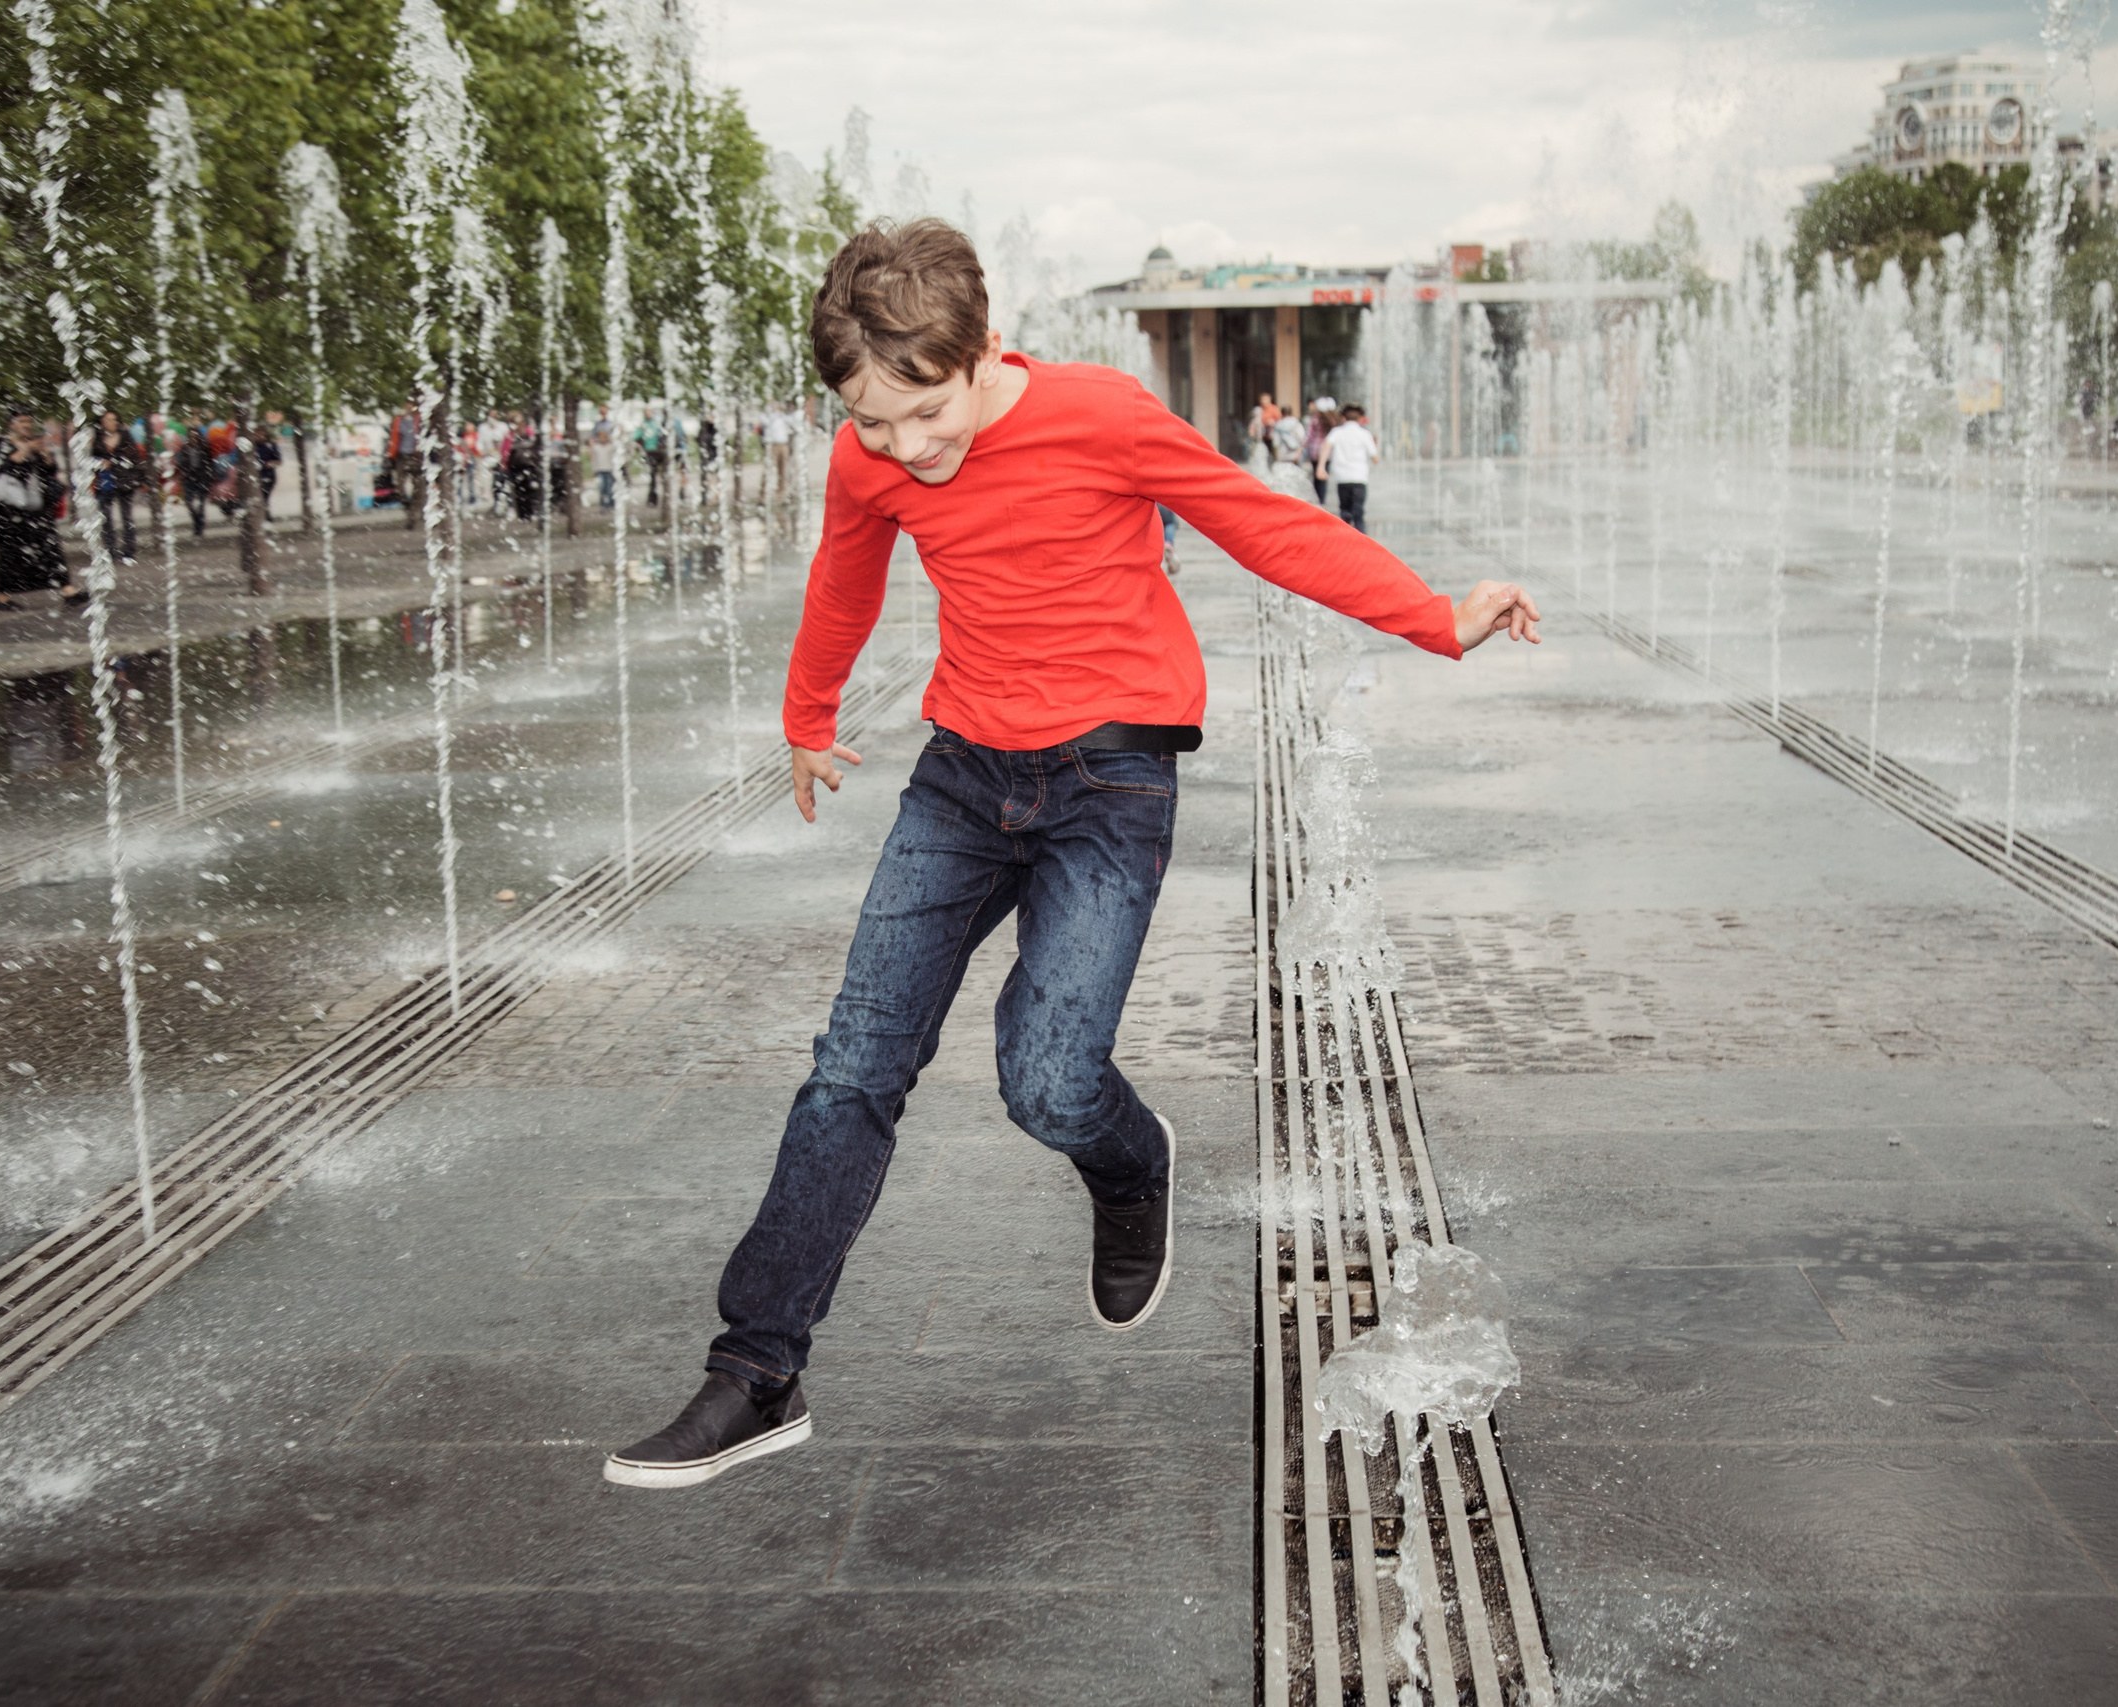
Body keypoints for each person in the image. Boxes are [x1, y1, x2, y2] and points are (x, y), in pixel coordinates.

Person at [602, 218, 1539, 1491]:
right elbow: (843, 578)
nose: (904, 450)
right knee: (850, 1069)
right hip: (961, 778)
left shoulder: (1100, 414)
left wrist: (1432, 615)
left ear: (983, 351)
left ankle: (1128, 1158)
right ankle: (758, 1370)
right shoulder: (866, 454)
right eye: (873, 425)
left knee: (1045, 1082)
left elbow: (1261, 523)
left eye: (924, 414)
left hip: (1110, 781)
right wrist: (808, 723)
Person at [0, 408, 70, 609]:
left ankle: (68, 590)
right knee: (10, 554)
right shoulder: (1, 443)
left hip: (35, 509)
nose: (26, 425)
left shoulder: (35, 445)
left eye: (29, 422)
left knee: (50, 548)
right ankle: (2, 598)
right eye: (21, 421)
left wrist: (44, 453)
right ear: (11, 424)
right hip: (9, 510)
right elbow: (3, 469)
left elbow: (51, 470)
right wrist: (26, 450)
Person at [88, 409, 148, 566]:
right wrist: (99, 464)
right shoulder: (98, 439)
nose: (111, 422)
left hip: (124, 481)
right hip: (105, 482)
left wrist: (134, 476)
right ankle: (111, 550)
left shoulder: (125, 436)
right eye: (107, 420)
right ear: (101, 422)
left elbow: (134, 458)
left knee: (127, 517)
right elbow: (90, 460)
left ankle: (129, 550)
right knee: (106, 517)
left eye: (114, 419)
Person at [1317, 404, 1381, 533]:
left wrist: (1321, 467)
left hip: (1342, 478)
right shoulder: (1364, 434)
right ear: (1360, 419)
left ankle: (1346, 542)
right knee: (1358, 514)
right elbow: (1375, 459)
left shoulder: (1337, 432)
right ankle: (1362, 543)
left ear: (1344, 418)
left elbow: (1326, 446)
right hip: (1359, 478)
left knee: (1345, 512)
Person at [174, 417, 216, 537]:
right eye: (191, 434)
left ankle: (200, 526)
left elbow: (209, 461)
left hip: (202, 476)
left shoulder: (204, 447)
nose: (193, 437)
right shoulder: (185, 448)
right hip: (189, 477)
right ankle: (196, 519)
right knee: (189, 502)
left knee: (202, 503)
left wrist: (211, 474)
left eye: (195, 434)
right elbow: (181, 462)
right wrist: (182, 472)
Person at [1304, 397, 1336, 505]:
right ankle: (1322, 500)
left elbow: (1309, 435)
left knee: (1316, 475)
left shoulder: (1315, 420)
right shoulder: (1333, 421)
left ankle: (1317, 499)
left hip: (1314, 450)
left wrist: (1301, 446)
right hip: (1327, 452)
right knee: (1324, 475)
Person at [763, 401, 796, 497]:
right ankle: (763, 495)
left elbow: (792, 423)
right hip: (773, 445)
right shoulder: (768, 416)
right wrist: (775, 413)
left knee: (783, 469)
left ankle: (781, 493)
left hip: (784, 445)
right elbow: (766, 423)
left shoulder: (784, 417)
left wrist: (782, 413)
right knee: (768, 469)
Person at [639, 409, 668, 506]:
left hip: (658, 452)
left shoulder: (656, 424)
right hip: (649, 452)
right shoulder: (643, 424)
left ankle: (662, 497)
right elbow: (636, 436)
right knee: (652, 476)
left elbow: (663, 435)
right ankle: (653, 498)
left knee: (662, 476)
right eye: (646, 413)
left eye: (649, 412)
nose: (648, 414)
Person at [591, 406, 617, 509]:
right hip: (600, 469)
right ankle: (603, 505)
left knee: (610, 487)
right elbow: (593, 457)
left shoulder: (611, 425)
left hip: (609, 468)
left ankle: (611, 503)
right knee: (602, 488)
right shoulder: (597, 425)